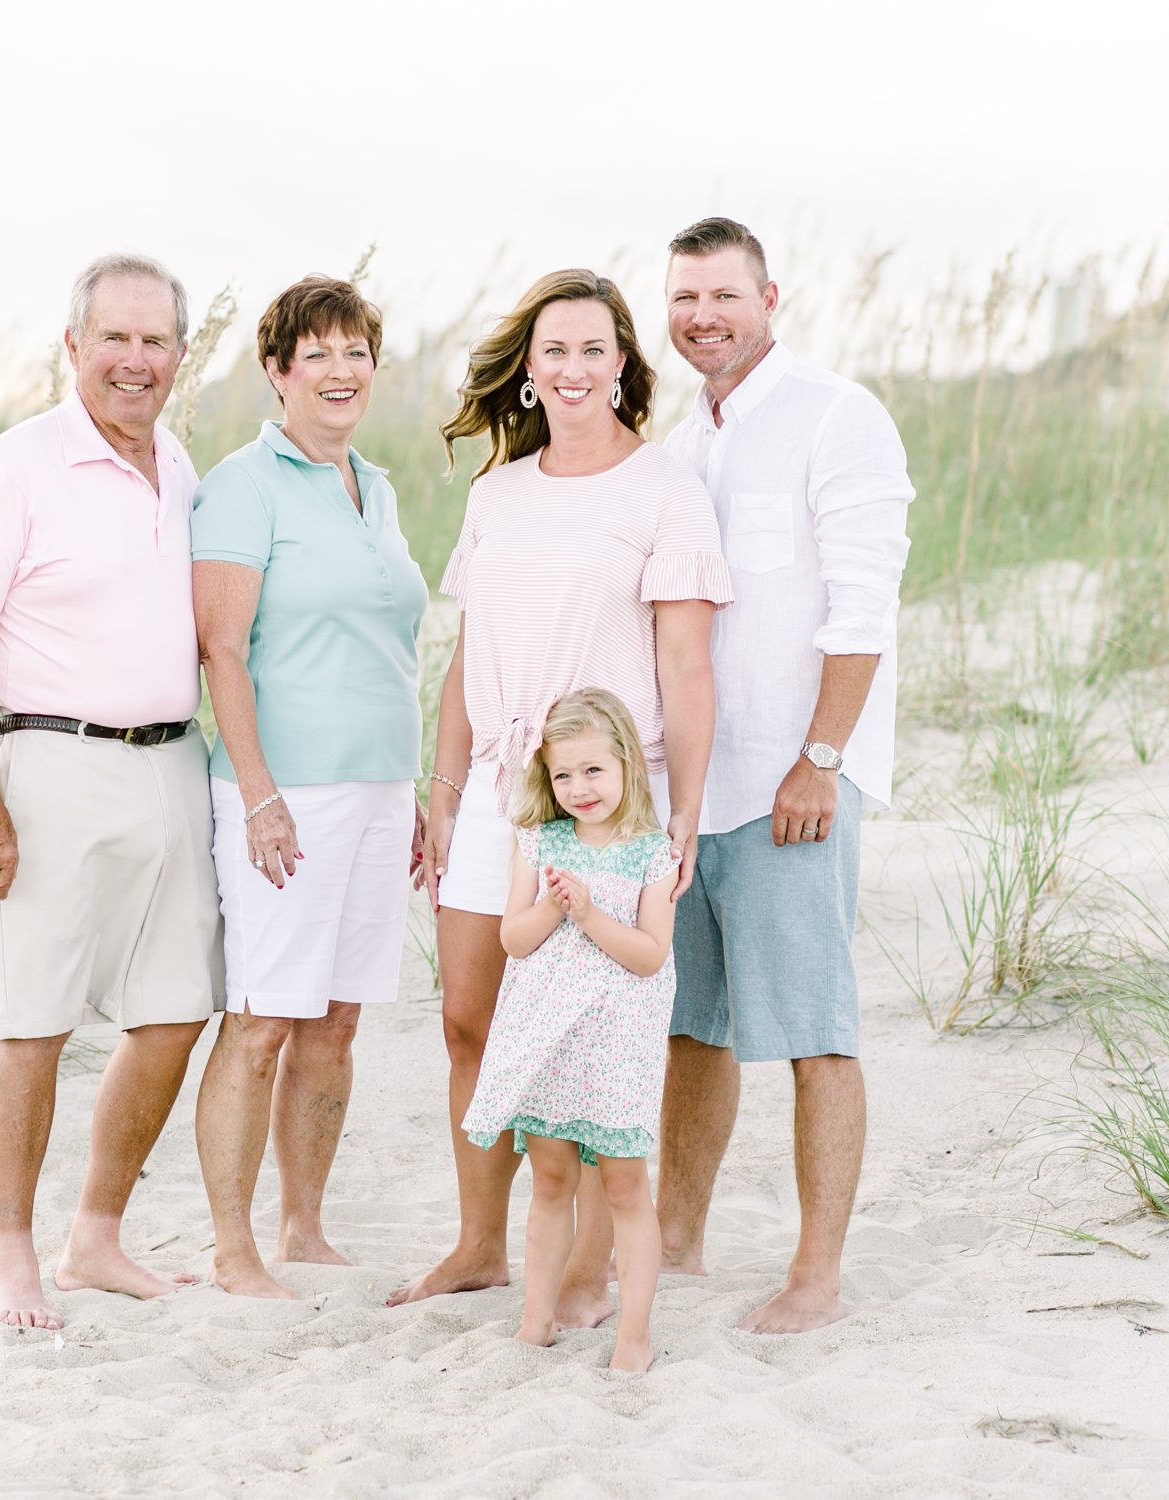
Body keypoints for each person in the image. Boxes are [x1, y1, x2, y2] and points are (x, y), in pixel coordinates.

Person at [392, 268, 730, 1315]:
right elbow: (466, 654)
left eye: (594, 349)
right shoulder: (497, 492)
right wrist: (443, 785)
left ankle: (586, 1264)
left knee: (584, 1028)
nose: (574, 368)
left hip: (603, 800)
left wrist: (680, 819)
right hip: (502, 786)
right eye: (555, 351)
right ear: (529, 372)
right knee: (469, 1017)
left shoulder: (664, 489)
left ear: (624, 364)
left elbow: (686, 665)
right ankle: (480, 1246)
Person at [0, 252, 224, 1331]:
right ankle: (11, 1256)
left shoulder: (181, 467)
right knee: (32, 1023)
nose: (135, 362)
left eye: (155, 343)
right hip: (51, 766)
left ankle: (96, 1236)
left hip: (174, 766)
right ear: (73, 346)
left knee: (179, 1011)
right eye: (115, 339)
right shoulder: (15, 469)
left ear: (180, 358)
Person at [654, 217, 917, 1334]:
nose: (702, 316)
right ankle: (675, 1240)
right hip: (694, 791)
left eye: (723, 295)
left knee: (815, 1029)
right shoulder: (677, 440)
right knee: (693, 1027)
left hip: (790, 784)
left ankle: (817, 1276)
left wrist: (822, 760)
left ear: (771, 297)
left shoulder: (835, 416)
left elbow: (864, 605)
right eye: (684, 299)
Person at [189, 276, 429, 1298]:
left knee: (337, 1022)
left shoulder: (373, 485)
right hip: (287, 793)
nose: (340, 372)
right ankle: (232, 1247)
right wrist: (258, 792)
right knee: (263, 1021)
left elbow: (389, 649)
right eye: (317, 354)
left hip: (377, 789)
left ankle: (303, 1225)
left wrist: (410, 788)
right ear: (278, 371)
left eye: (356, 353)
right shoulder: (245, 484)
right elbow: (222, 650)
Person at [463, 689, 680, 1373]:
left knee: (623, 1183)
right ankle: (537, 1319)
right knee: (550, 1178)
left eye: (594, 771)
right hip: (548, 1034)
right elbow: (514, 938)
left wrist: (587, 914)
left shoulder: (653, 851)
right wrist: (556, 910)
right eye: (563, 775)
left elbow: (648, 955)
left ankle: (634, 1334)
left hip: (616, 1039)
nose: (579, 788)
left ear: (626, 767)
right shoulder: (542, 840)